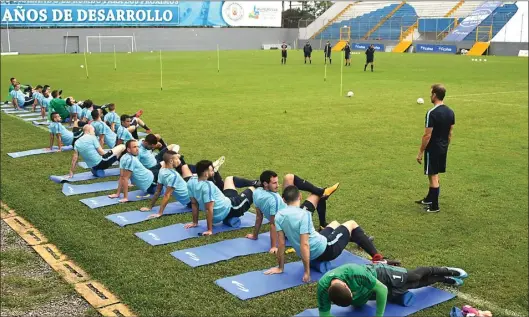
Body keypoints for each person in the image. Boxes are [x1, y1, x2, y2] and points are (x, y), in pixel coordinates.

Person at [264, 185, 396, 283]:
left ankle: (358, 240)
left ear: (283, 199)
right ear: (300, 197)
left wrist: (280, 268)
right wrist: (306, 272)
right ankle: (378, 259)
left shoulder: (279, 216)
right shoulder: (304, 215)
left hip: (316, 244)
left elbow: (280, 243)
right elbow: (304, 244)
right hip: (325, 249)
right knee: (351, 223)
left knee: (334, 224)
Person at [316, 263, 468, 317]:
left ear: (346, 285)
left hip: (381, 275)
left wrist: (379, 315)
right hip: (370, 292)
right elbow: (324, 314)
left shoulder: (354, 272)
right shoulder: (323, 290)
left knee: (413, 277)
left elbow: (382, 290)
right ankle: (443, 280)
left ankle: (447, 271)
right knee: (415, 286)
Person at [247, 170, 340, 254]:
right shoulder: (273, 200)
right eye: (274, 183)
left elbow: (259, 216)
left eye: (277, 182)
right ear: (265, 184)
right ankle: (322, 213)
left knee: (289, 177)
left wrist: (255, 235)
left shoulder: (256, 193)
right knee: (317, 196)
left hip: (286, 206)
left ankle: (322, 192)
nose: (278, 185)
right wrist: (273, 246)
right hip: (294, 220)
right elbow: (273, 224)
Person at [184, 160, 260, 236]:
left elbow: (194, 203)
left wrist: (195, 222)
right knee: (254, 189)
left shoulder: (191, 181)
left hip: (225, 200)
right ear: (206, 174)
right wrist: (209, 230)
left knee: (229, 179)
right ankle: (260, 184)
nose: (213, 172)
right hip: (232, 208)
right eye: (211, 171)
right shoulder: (208, 186)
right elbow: (208, 209)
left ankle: (255, 182)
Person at [416, 84, 455, 213]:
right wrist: (445, 145)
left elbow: (427, 135)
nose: (429, 95)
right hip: (443, 147)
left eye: (431, 93)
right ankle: (429, 198)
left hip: (433, 148)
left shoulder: (431, 113)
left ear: (434, 95)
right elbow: (450, 133)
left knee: (433, 176)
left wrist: (421, 151)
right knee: (433, 173)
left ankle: (435, 206)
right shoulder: (450, 111)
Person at [141, 150, 195, 219]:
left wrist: (150, 207)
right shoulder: (173, 176)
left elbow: (158, 191)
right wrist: (159, 213)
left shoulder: (161, 170)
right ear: (171, 161)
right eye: (177, 159)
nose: (179, 161)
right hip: (193, 201)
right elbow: (167, 195)